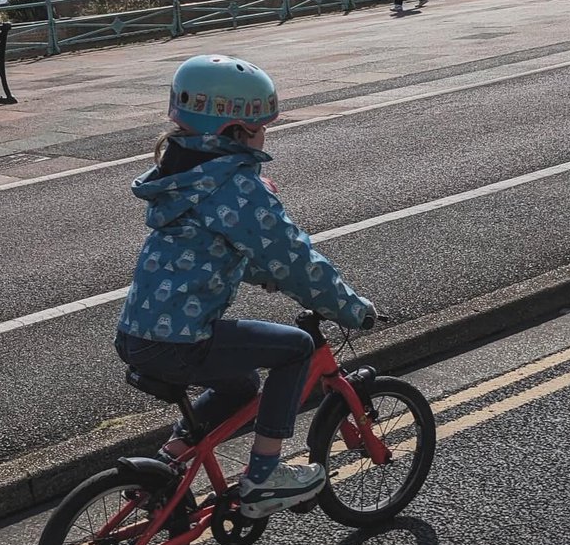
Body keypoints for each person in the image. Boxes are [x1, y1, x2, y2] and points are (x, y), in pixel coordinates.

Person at [115, 54, 376, 519]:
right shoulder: (234, 187)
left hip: (138, 334)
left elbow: (215, 248)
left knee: (239, 387)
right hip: (181, 340)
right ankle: (264, 478)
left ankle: (170, 459)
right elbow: (293, 257)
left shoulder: (183, 177)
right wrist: (349, 307)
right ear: (235, 132)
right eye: (259, 127)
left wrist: (262, 274)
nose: (265, 135)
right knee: (295, 348)